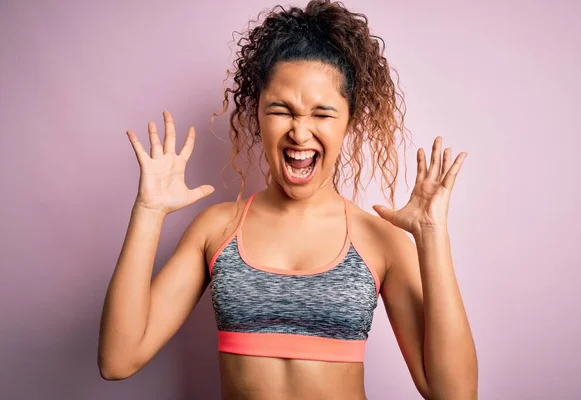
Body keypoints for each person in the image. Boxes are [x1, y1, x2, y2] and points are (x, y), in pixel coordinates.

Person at [97, 0, 478, 399]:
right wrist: (148, 212)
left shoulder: (378, 241)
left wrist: (432, 236)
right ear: (257, 114)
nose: (300, 132)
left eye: (322, 114)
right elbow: (118, 360)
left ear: (350, 120)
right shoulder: (218, 229)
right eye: (282, 110)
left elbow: (455, 393)